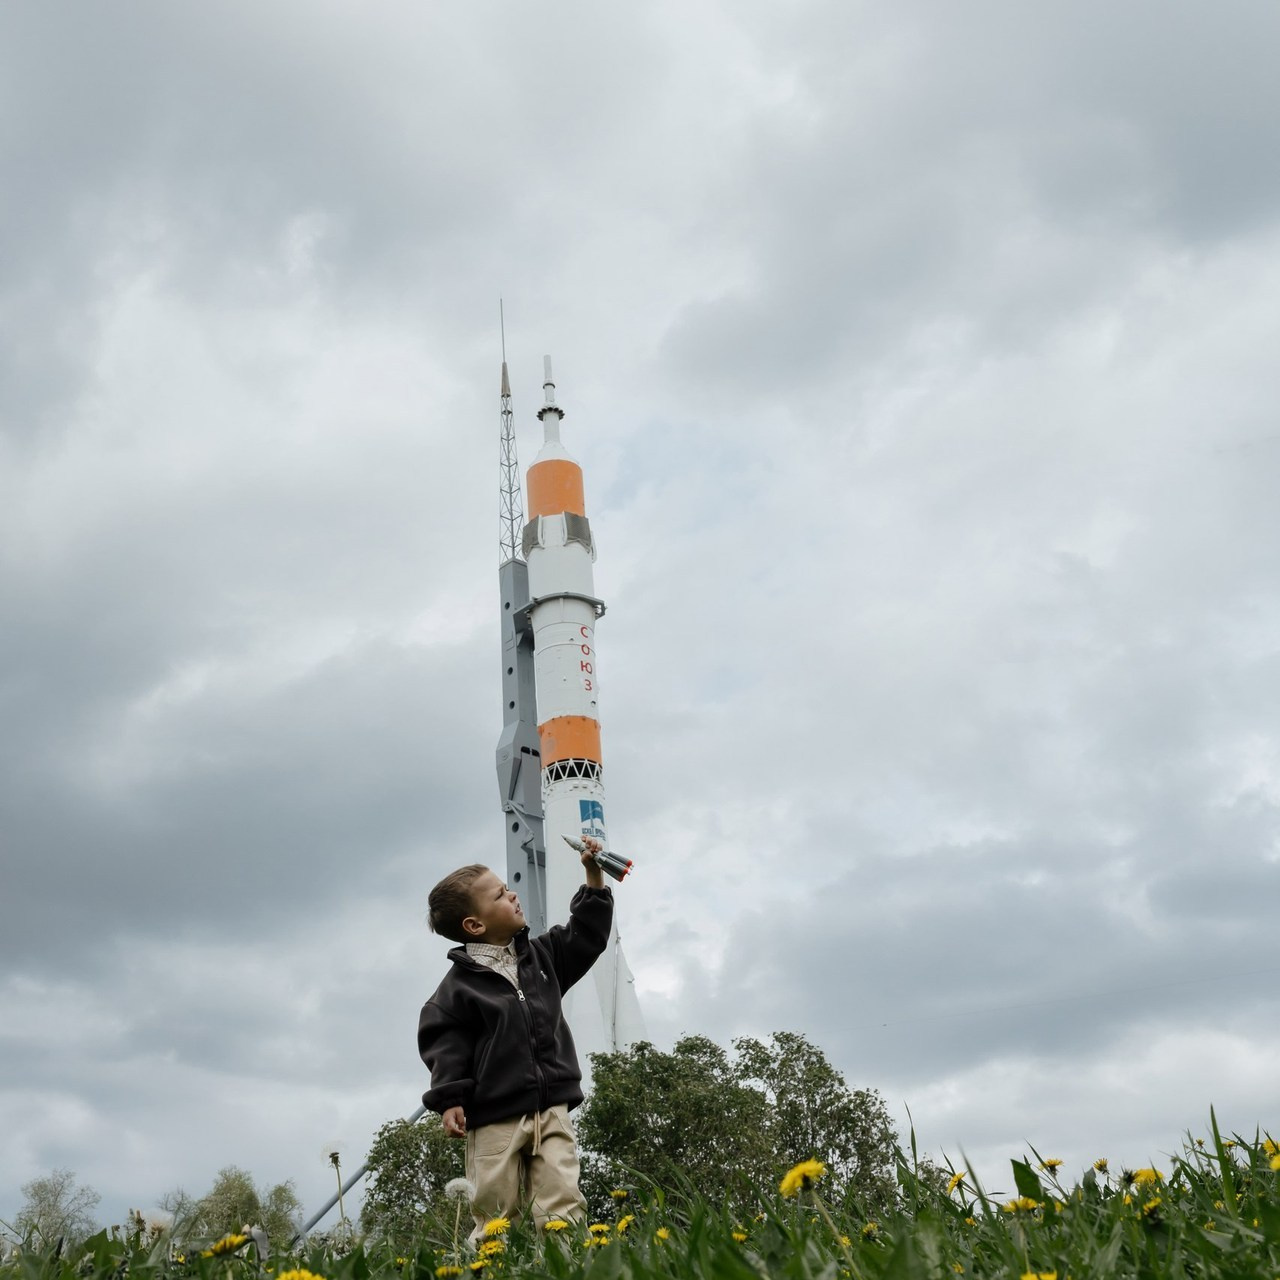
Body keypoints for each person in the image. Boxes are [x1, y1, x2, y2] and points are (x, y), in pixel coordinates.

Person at [417, 837, 612, 1238]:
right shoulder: (456, 991)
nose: (513, 894)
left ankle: (566, 1267)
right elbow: (445, 1043)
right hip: (493, 1119)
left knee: (563, 1204)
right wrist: (449, 1097)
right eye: (502, 895)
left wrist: (593, 876)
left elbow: (586, 935)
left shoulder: (545, 957)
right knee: (495, 1215)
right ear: (475, 925)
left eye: (508, 888)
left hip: (552, 1108)